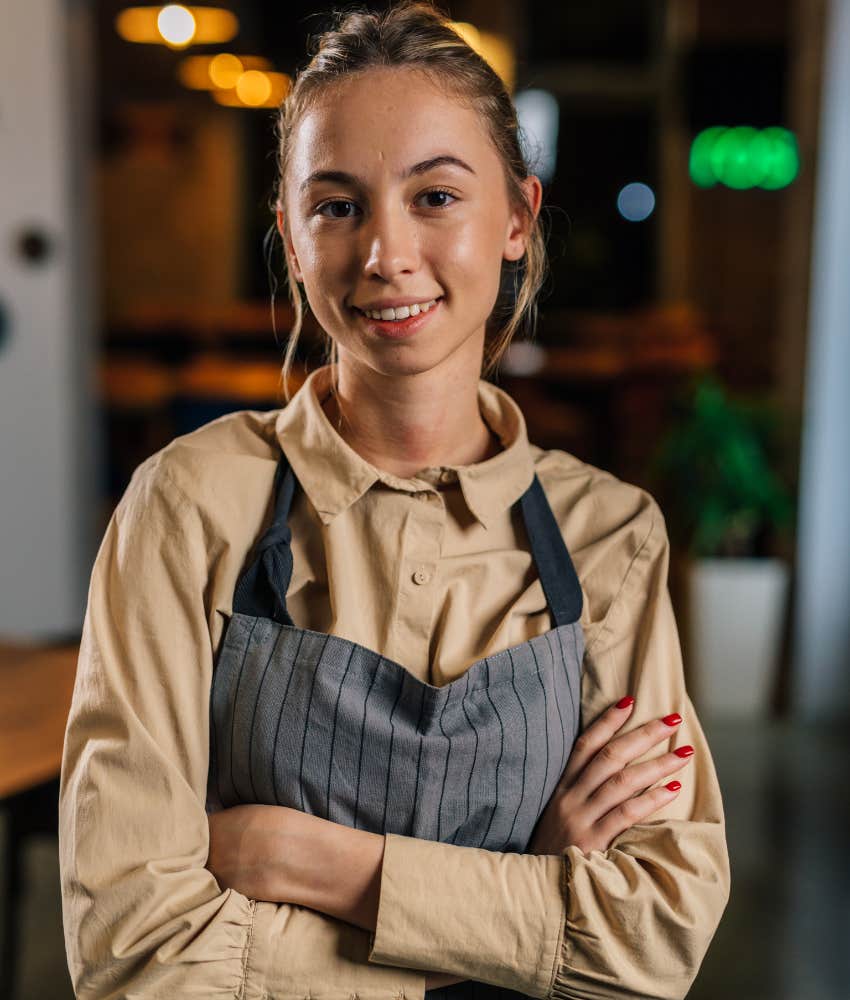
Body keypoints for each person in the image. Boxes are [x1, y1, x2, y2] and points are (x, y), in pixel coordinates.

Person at [58, 2, 730, 997]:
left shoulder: (608, 537)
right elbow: (136, 952)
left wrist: (300, 862)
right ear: (289, 236)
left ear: (516, 219)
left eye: (436, 196)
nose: (384, 253)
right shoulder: (189, 506)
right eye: (336, 205)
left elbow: (651, 941)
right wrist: (516, 902)